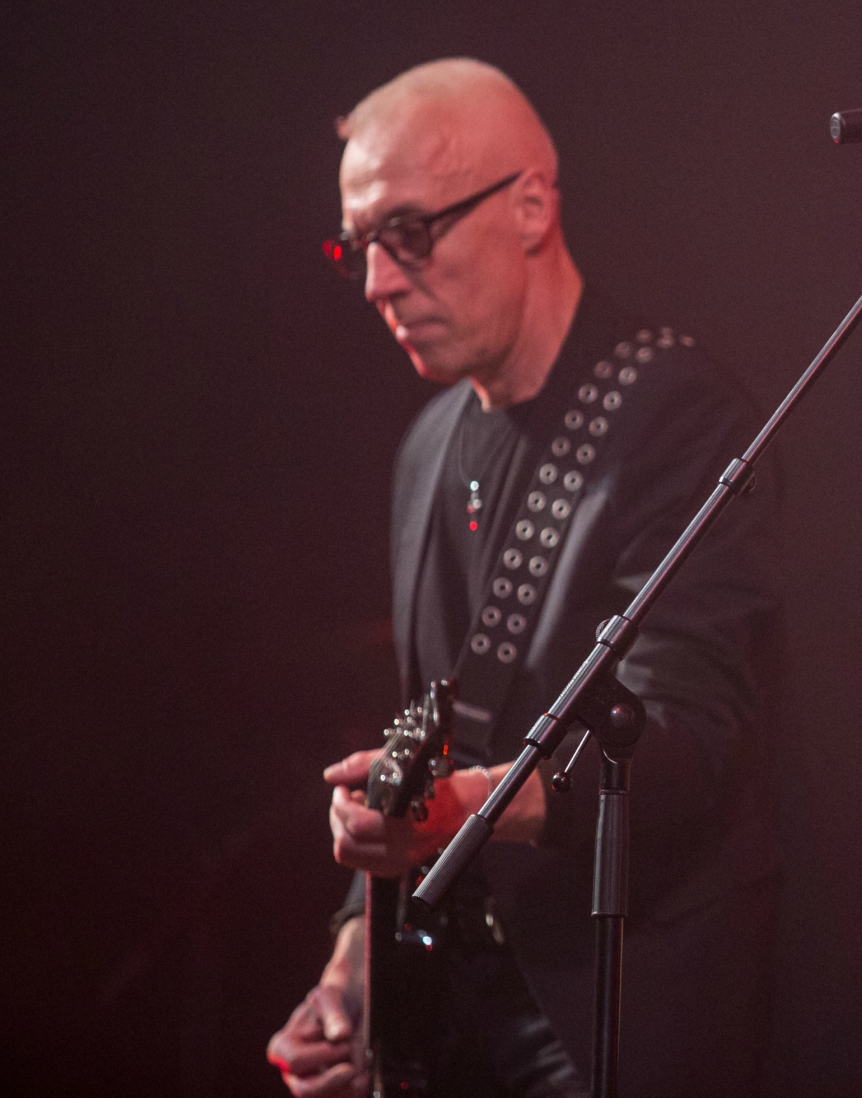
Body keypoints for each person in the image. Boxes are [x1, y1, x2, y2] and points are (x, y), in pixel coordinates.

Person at [265, 59, 780, 1097]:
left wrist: (461, 807)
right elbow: (431, 727)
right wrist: (355, 961)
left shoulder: (676, 410)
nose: (378, 282)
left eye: (409, 232)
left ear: (531, 205)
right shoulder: (426, 446)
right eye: (360, 246)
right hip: (454, 1011)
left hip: (613, 1006)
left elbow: (688, 737)